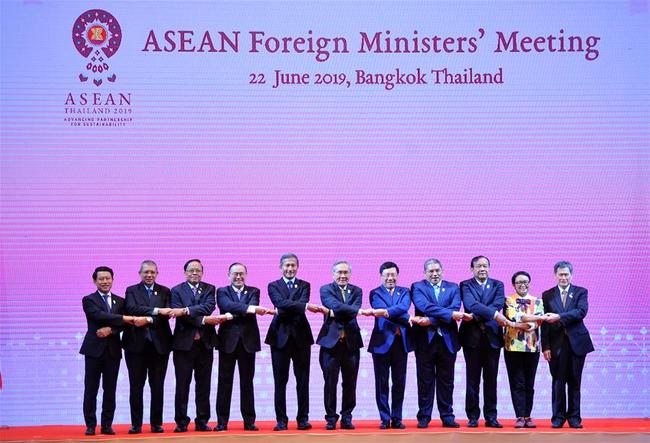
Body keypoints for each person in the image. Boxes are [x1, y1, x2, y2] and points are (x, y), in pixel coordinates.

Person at [80, 266, 148, 436]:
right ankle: (90, 425)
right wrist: (123, 319)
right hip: (93, 350)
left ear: (112, 279)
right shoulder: (88, 300)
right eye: (101, 279)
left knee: (110, 389)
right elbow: (99, 316)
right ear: (95, 281)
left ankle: (107, 425)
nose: (105, 281)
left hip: (113, 351)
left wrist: (111, 330)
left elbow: (124, 325)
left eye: (108, 278)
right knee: (91, 389)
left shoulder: (120, 301)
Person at [265, 253, 326, 431]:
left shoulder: (305, 285)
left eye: (293, 266)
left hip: (301, 337)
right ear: (281, 267)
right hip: (279, 338)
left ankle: (303, 419)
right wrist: (304, 306)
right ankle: (281, 420)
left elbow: (286, 307)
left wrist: (295, 306)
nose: (290, 269)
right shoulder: (273, 285)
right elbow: (279, 304)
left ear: (297, 267)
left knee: (303, 380)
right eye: (287, 266)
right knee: (280, 381)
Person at [171, 259, 229, 433]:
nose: (194, 273)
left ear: (202, 272)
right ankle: (181, 421)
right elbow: (178, 313)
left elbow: (209, 307)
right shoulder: (176, 290)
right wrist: (202, 319)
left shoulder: (210, 288)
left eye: (198, 270)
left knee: (203, 384)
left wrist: (187, 310)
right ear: (185, 272)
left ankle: (202, 420)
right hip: (183, 344)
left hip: (205, 343)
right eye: (191, 270)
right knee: (182, 384)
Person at [215, 263, 274, 432]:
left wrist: (247, 310)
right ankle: (222, 421)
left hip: (248, 343)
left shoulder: (254, 291)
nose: (238, 277)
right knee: (224, 383)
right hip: (227, 342)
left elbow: (243, 309)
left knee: (247, 383)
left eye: (241, 274)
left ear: (246, 275)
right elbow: (227, 306)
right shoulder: (222, 291)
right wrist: (249, 308)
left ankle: (249, 421)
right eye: (235, 274)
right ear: (229, 275)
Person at [411, 258, 468, 428]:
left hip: (448, 340)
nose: (434, 274)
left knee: (446, 380)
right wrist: (448, 315)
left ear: (442, 271)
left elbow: (456, 307)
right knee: (425, 380)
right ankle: (424, 416)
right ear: (425, 273)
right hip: (424, 341)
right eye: (431, 271)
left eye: (437, 271)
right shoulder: (418, 286)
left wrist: (431, 320)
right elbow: (424, 306)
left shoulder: (453, 287)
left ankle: (447, 415)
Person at [123, 260, 174, 434]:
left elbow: (167, 313)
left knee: (157, 386)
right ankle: (136, 424)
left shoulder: (165, 291)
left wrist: (150, 318)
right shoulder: (131, 290)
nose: (149, 275)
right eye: (146, 272)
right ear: (140, 273)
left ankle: (156, 423)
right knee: (136, 386)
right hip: (135, 346)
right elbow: (131, 308)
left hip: (159, 346)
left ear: (157, 273)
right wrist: (155, 311)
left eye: (152, 272)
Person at [541, 261, 594, 429]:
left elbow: (581, 312)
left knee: (574, 381)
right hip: (556, 345)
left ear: (571, 275)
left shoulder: (580, 292)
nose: (563, 277)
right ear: (555, 275)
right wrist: (546, 346)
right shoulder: (547, 295)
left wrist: (559, 317)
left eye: (566, 274)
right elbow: (544, 323)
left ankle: (574, 417)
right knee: (557, 382)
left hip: (577, 343)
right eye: (560, 274)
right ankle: (558, 417)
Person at [459, 255, 508, 428]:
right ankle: (473, 416)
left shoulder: (498, 285)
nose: (482, 269)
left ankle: (491, 416)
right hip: (471, 338)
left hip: (492, 338)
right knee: (472, 379)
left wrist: (481, 313)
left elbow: (498, 303)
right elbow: (470, 304)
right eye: (478, 266)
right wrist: (493, 315)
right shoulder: (465, 285)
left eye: (485, 266)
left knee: (491, 379)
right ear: (471, 268)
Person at [366, 261, 412, 429]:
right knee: (382, 382)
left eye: (393, 275)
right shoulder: (375, 293)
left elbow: (404, 306)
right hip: (381, 343)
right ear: (381, 276)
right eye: (387, 275)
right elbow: (381, 310)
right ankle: (385, 418)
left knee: (399, 382)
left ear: (397, 276)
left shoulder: (406, 291)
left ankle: (397, 417)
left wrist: (392, 311)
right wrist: (406, 317)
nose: (390, 278)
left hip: (401, 343)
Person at [317, 260, 363, 430]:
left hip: (351, 343)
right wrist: (342, 310)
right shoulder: (326, 289)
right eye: (339, 272)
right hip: (331, 344)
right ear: (333, 274)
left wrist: (336, 312)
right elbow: (333, 305)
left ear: (349, 274)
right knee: (330, 382)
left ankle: (347, 417)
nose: (343, 276)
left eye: (346, 273)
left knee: (350, 382)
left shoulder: (357, 290)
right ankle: (330, 418)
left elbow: (353, 308)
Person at [503, 271, 545, 428]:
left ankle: (528, 415)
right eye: (519, 282)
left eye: (525, 282)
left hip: (532, 347)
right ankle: (519, 416)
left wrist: (527, 322)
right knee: (517, 382)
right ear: (513, 285)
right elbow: (514, 316)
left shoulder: (537, 301)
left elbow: (539, 320)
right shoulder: (508, 300)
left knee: (529, 382)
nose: (523, 284)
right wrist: (530, 321)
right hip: (512, 346)